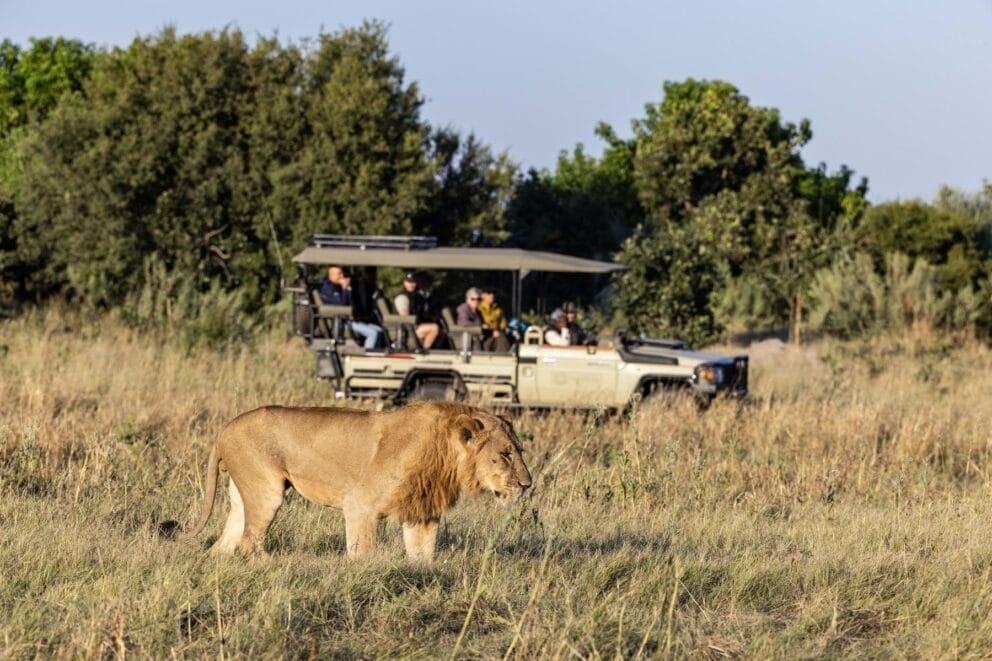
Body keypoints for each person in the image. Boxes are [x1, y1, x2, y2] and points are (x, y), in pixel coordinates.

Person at [325, 268, 385, 350]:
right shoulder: (328, 289)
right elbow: (342, 306)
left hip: (348, 320)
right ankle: (366, 356)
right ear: (331, 275)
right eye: (339, 274)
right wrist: (345, 288)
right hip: (339, 322)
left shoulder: (339, 287)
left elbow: (349, 303)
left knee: (380, 330)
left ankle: (376, 354)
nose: (342, 276)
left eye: (342, 274)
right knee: (373, 333)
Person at [393, 272, 441, 349]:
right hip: (406, 330)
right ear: (404, 283)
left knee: (440, 328)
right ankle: (424, 351)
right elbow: (405, 317)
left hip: (415, 327)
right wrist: (417, 325)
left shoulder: (416, 296)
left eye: (414, 282)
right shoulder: (402, 297)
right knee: (434, 328)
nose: (412, 284)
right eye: (409, 282)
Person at [479, 286, 511, 351]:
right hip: (484, 334)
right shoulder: (479, 308)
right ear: (483, 295)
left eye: (493, 293)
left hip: (497, 333)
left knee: (503, 339)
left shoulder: (498, 309)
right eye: (489, 293)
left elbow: (503, 324)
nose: (492, 295)